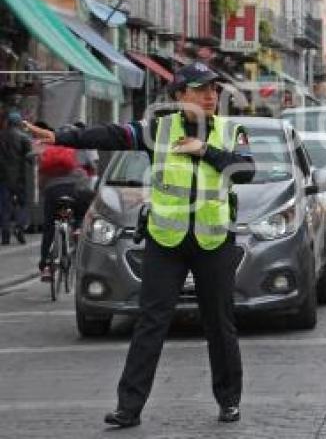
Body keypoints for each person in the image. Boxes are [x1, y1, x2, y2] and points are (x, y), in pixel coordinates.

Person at [24, 62, 256, 429]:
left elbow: (246, 171)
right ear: (180, 96)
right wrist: (62, 136)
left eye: (214, 89)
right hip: (166, 241)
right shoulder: (158, 131)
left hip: (213, 242)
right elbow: (111, 134)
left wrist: (204, 151)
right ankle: (128, 408)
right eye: (201, 89)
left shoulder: (231, 131)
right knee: (150, 323)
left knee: (219, 324)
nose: (211, 96)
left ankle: (229, 401)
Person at [36, 126, 87, 281]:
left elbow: (41, 181)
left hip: (52, 192)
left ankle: (46, 266)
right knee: (79, 208)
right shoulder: (73, 153)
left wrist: (46, 190)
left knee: (49, 227)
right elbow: (82, 176)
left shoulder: (47, 155)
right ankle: (78, 227)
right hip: (71, 190)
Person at [0, 110, 32, 245]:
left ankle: (5, 234)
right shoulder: (24, 138)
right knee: (22, 204)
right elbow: (30, 157)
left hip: (2, 178)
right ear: (19, 122)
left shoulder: (1, 136)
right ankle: (20, 226)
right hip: (19, 177)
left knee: (4, 206)